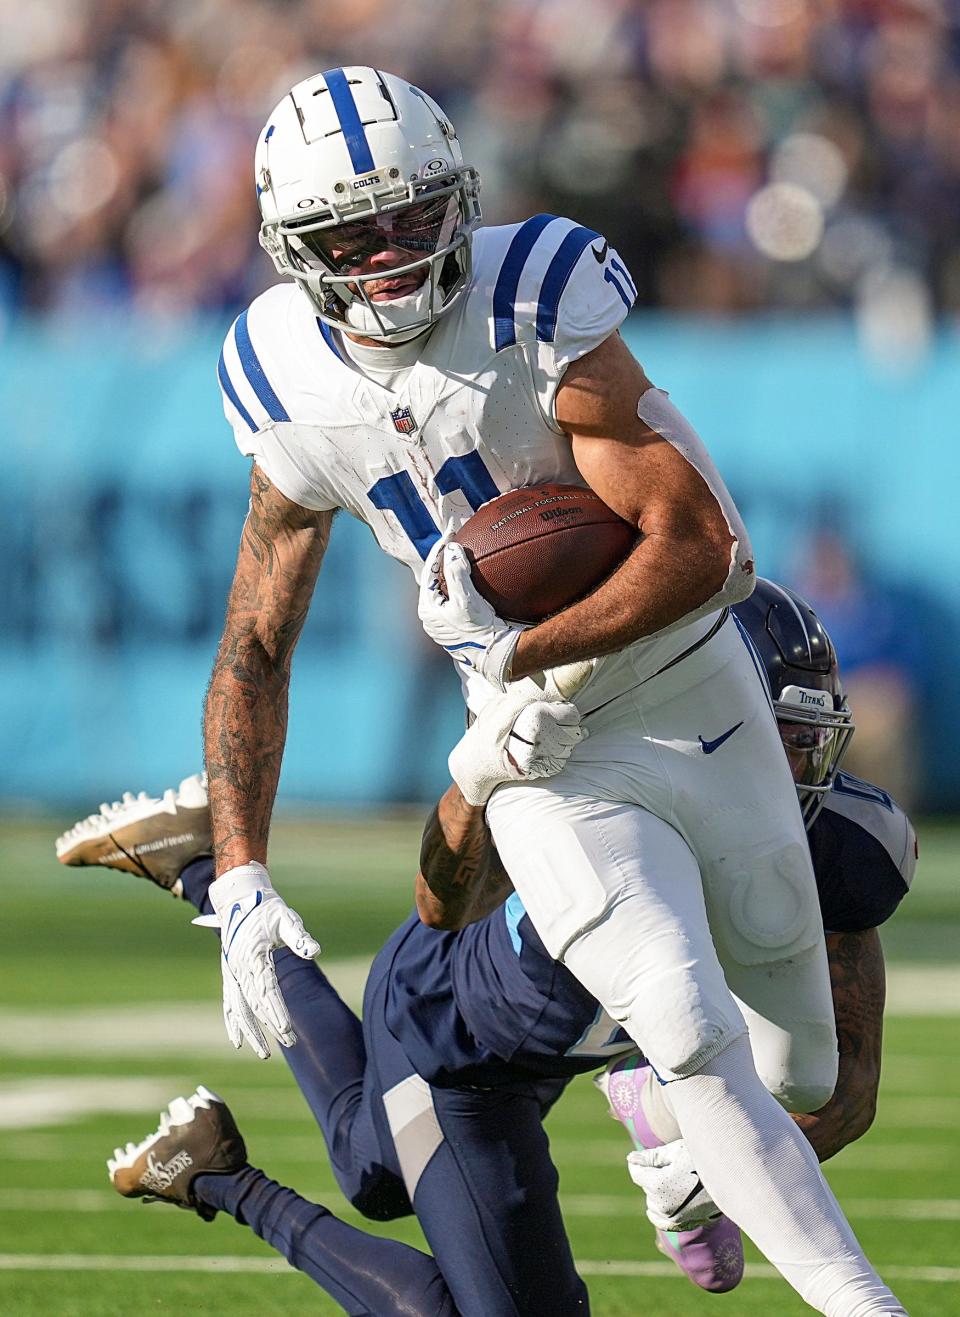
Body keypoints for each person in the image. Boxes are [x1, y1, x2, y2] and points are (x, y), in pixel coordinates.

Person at [202, 65, 901, 1310]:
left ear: (459, 200)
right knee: (686, 1022)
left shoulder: (536, 295)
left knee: (802, 1075)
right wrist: (244, 874)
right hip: (537, 746)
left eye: (413, 219)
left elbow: (707, 548)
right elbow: (257, 639)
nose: (389, 257)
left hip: (683, 679)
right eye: (349, 237)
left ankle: (680, 1143)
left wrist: (525, 647)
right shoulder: (278, 375)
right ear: (290, 251)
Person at [60, 582, 915, 1311]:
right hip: (458, 1042)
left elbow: (839, 1088)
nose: (797, 770)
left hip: (545, 1051)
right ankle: (220, 1133)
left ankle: (208, 1107)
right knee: (372, 1169)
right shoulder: (593, 814)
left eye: (810, 739)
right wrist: (480, 776)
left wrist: (698, 1159)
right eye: (775, 740)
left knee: (379, 1171)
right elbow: (442, 897)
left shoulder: (841, 846)